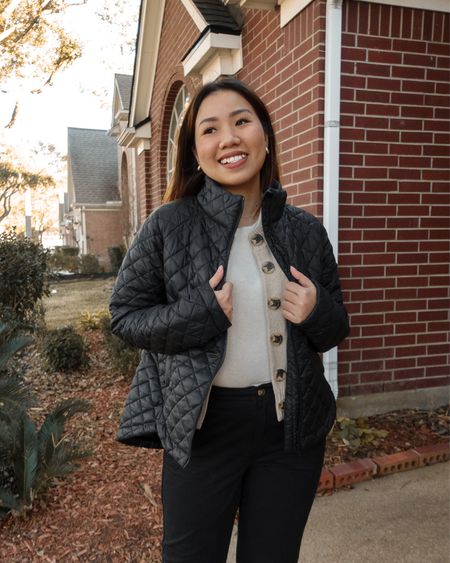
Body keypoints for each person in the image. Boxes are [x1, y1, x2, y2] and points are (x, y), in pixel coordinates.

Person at [109, 77, 349, 563]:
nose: (229, 139)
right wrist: (201, 314)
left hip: (290, 431)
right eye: (210, 129)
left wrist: (317, 311)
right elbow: (125, 317)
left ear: (265, 135)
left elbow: (334, 328)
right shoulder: (169, 224)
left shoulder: (305, 231)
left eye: (241, 122)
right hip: (204, 428)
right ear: (196, 152)